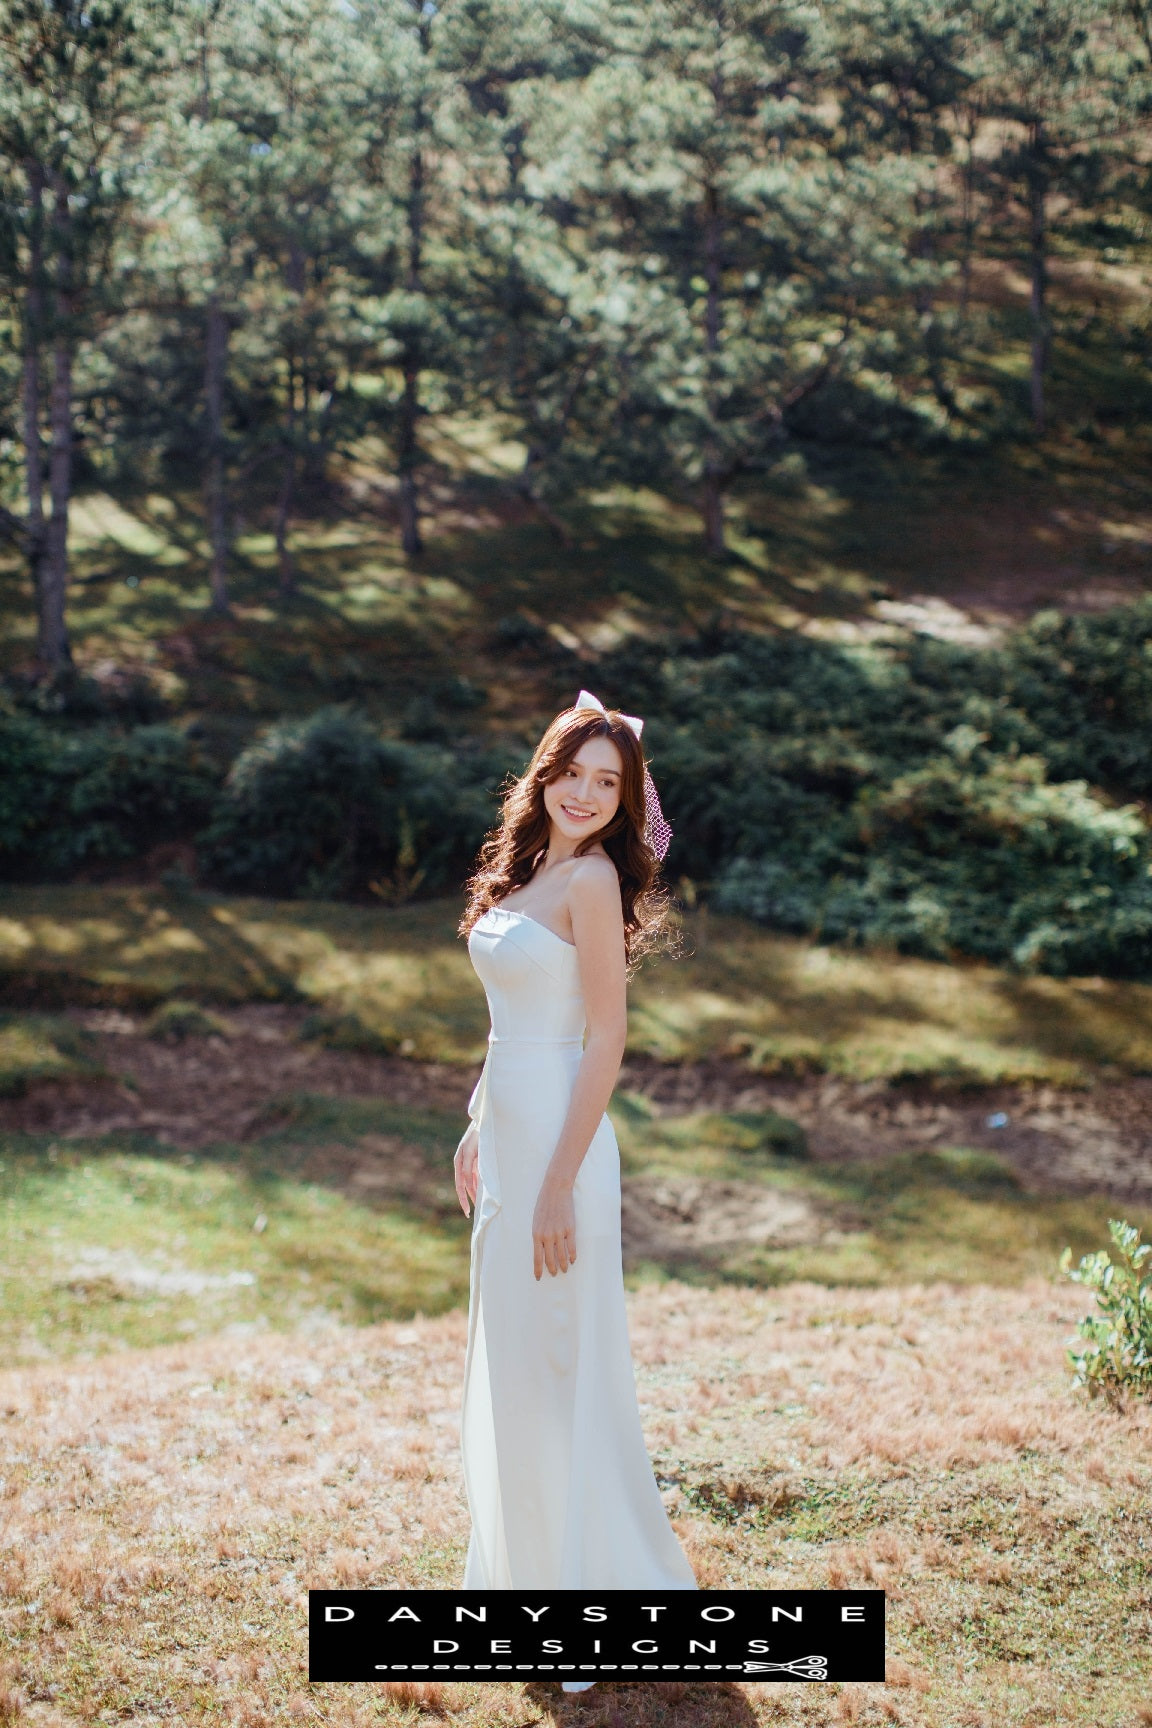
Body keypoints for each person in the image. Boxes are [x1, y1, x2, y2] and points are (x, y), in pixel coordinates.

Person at [454, 688, 699, 1691]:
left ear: (625, 799)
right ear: (545, 774)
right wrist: (474, 1127)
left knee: (563, 1371)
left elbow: (603, 1041)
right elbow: (512, 1023)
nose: (589, 793)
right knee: (516, 1366)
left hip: (564, 1154)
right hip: (508, 1149)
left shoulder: (592, 882)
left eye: (611, 782)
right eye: (575, 773)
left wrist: (557, 1184)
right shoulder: (526, 874)